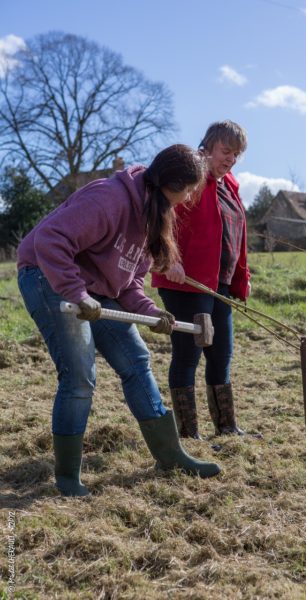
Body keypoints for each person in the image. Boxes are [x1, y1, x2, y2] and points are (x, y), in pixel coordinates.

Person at [17, 144, 221, 497]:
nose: (189, 197)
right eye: (187, 189)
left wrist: (152, 313)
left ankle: (170, 456)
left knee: (136, 359)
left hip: (94, 288)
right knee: (80, 375)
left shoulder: (155, 215)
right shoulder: (109, 199)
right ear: (170, 182)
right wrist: (77, 294)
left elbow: (128, 285)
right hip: (47, 275)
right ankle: (67, 478)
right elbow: (51, 239)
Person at [152, 121, 250, 439]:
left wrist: (240, 277)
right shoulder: (189, 176)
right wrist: (168, 260)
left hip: (219, 284)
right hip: (186, 282)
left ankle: (227, 428)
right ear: (207, 147)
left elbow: (237, 235)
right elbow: (160, 217)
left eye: (236, 154)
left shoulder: (229, 185)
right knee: (189, 355)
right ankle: (187, 434)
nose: (231, 159)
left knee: (221, 353)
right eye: (226, 151)